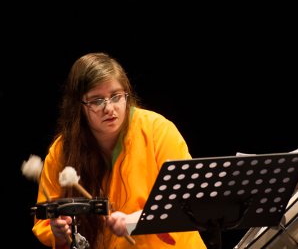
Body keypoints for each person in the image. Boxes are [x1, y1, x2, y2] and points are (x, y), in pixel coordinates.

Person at [32, 52, 207, 249]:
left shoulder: (158, 130)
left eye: (116, 96)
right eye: (97, 101)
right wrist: (58, 233)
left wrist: (134, 220)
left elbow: (186, 203)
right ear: (78, 106)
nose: (109, 108)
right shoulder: (62, 151)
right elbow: (45, 221)